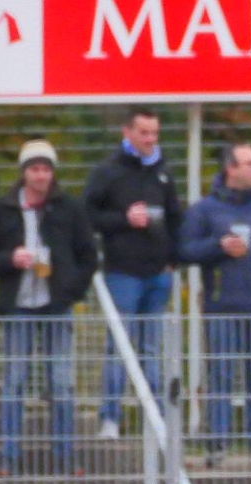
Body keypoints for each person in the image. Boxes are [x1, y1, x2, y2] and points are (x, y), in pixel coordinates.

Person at [0, 140, 97, 476]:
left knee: (61, 382)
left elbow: (88, 256)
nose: (41, 175)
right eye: (35, 169)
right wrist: (9, 259)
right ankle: (9, 455)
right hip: (18, 305)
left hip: (56, 304)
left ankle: (65, 455)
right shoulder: (2, 209)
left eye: (46, 169)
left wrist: (70, 289)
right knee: (14, 381)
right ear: (24, 172)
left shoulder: (69, 209)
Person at [180, 142, 251, 460]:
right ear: (231, 168)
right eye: (250, 163)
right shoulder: (205, 210)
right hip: (220, 308)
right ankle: (217, 444)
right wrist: (219, 246)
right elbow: (185, 250)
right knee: (220, 375)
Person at [85, 106, 183, 439]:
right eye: (144, 133)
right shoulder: (108, 171)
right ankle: (110, 418)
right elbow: (88, 215)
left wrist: (172, 259)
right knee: (119, 347)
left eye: (154, 133)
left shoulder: (163, 171)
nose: (150, 139)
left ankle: (154, 421)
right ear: (127, 132)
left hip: (158, 274)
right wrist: (123, 219)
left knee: (151, 349)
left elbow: (175, 217)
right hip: (122, 273)